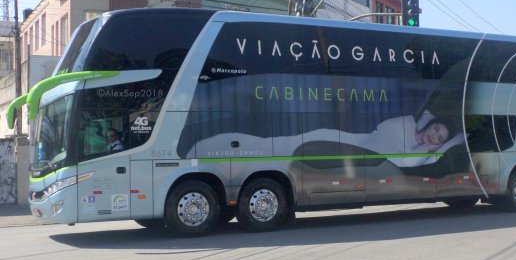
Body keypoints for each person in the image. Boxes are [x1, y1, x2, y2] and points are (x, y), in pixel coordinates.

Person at [186, 112, 463, 167]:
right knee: (284, 144)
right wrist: (422, 148)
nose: (434, 135)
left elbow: (398, 162)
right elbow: (388, 148)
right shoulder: (403, 123)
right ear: (431, 123)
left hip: (346, 150)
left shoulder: (425, 152)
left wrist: (428, 149)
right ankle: (217, 149)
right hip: (342, 140)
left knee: (288, 155)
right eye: (436, 129)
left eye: (440, 138)